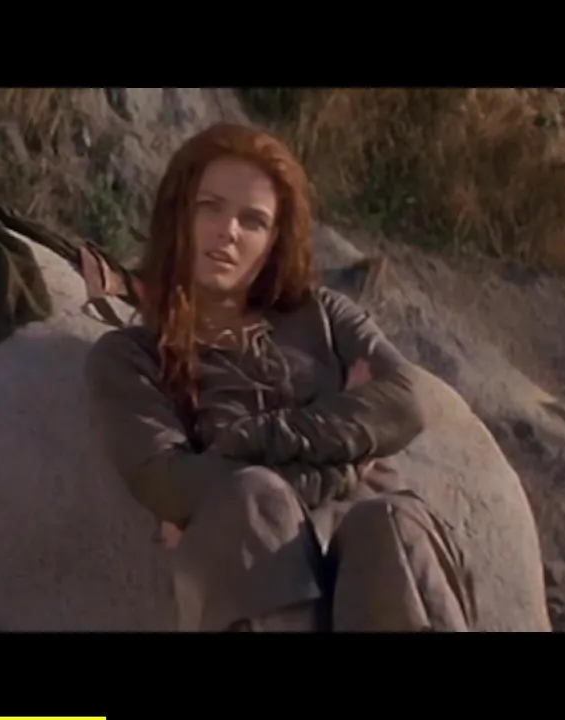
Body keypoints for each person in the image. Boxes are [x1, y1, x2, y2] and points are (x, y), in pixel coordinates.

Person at [83, 122, 477, 632]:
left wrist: (252, 438)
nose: (228, 231)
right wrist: (348, 452)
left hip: (368, 556)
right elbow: (171, 482)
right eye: (211, 207)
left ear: (273, 241)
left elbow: (406, 403)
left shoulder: (325, 315)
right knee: (251, 500)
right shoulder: (130, 356)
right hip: (254, 571)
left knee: (390, 521)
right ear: (179, 214)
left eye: (252, 220)